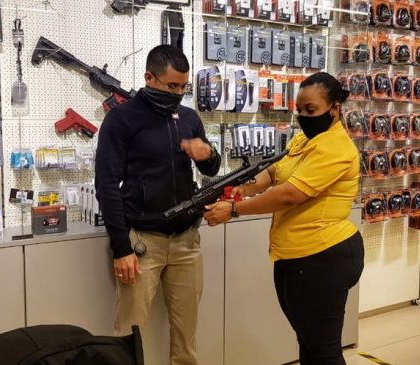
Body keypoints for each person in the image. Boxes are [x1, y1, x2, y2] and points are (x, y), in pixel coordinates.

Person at [204, 72, 364, 365]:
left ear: (335, 108)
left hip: (323, 256)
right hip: (296, 256)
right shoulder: (305, 139)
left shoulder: (336, 147)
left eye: (311, 110)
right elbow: (273, 173)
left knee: (324, 352)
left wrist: (235, 209)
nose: (303, 116)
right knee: (308, 342)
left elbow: (290, 194)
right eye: (300, 110)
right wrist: (238, 190)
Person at [95, 45, 220, 365]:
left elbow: (210, 170)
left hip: (186, 241)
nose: (178, 93)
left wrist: (208, 154)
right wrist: (120, 247)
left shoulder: (189, 118)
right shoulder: (121, 119)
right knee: (130, 335)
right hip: (142, 244)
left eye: (183, 87)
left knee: (186, 337)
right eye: (171, 86)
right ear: (149, 77)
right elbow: (107, 185)